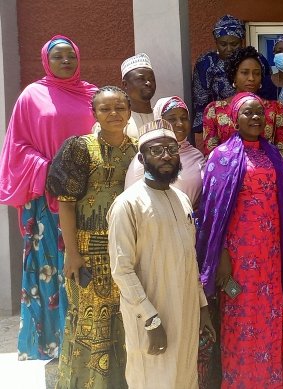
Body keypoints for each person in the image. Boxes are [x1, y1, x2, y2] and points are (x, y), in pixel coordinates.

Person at [0, 35, 97, 360]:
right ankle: (55, 348)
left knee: (91, 266)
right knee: (53, 270)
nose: (66, 61)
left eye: (71, 55)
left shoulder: (92, 95)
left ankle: (93, 344)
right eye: (58, 57)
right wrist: (50, 170)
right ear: (46, 61)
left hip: (89, 198)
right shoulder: (31, 96)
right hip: (47, 200)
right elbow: (16, 147)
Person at [196, 92, 283, 388]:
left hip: (270, 251)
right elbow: (215, 214)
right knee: (240, 313)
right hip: (238, 254)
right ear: (234, 119)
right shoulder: (222, 156)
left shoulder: (272, 155)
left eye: (259, 113)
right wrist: (223, 256)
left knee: (268, 312)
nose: (255, 118)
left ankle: (271, 379)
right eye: (248, 113)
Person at [108, 119, 214, 389]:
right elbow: (122, 270)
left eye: (171, 149)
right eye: (157, 150)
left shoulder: (181, 199)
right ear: (142, 158)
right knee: (153, 379)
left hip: (186, 309)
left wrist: (202, 309)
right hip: (152, 315)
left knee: (185, 378)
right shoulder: (127, 204)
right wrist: (151, 319)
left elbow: (190, 259)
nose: (166, 155)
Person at [46, 86, 138, 388]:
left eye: (120, 107)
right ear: (94, 113)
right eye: (105, 109)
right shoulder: (80, 148)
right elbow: (66, 204)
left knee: (127, 321)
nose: (114, 114)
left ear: (129, 110)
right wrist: (72, 253)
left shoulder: (139, 148)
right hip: (89, 250)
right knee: (92, 325)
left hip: (129, 249)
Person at [192, 15, 273, 145]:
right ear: (216, 41)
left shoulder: (258, 60)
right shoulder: (206, 63)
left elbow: (266, 91)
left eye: (234, 44)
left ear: (242, 41)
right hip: (220, 120)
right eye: (223, 44)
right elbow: (200, 99)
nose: (229, 49)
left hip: (254, 117)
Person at [124, 97, 206, 209]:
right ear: (159, 120)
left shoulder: (196, 156)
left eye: (184, 118)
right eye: (172, 119)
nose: (179, 124)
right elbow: (131, 199)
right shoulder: (148, 155)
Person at [121, 53, 156, 138]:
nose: (148, 83)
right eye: (141, 79)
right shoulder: (117, 121)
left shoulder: (163, 117)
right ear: (125, 84)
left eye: (151, 79)